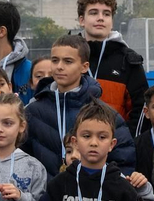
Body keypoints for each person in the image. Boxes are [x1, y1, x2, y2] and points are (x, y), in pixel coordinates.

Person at [21, 35, 135, 175]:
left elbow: (124, 162)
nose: (59, 67)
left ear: (84, 67)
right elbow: (22, 159)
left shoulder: (106, 114)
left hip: (92, 195)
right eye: (55, 60)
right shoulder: (33, 112)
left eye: (68, 61)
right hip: (46, 194)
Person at [74, 0, 145, 123]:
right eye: (94, 13)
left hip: (116, 142)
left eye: (106, 14)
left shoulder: (129, 61)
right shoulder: (68, 57)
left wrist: (124, 141)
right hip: (73, 142)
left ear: (112, 20)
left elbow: (140, 109)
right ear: (82, 20)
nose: (100, 18)